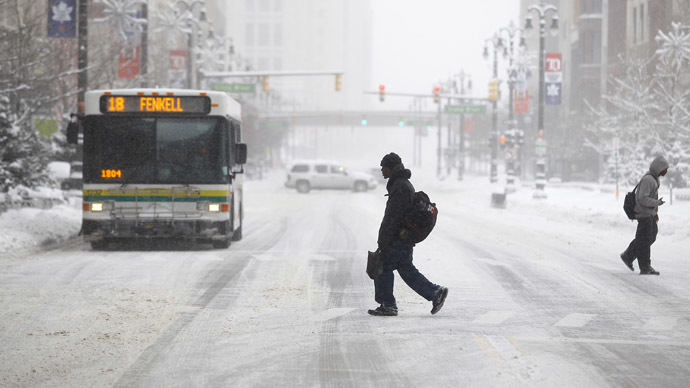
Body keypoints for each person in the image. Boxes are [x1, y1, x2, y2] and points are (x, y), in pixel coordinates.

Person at [368, 152, 448, 316]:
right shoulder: (400, 184)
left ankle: (388, 304)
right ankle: (435, 293)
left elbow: (393, 217)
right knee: (406, 269)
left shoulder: (400, 187)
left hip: (398, 238)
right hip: (403, 237)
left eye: (384, 167)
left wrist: (384, 240)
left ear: (391, 168)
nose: (382, 170)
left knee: (383, 266)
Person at [620, 156, 669, 275]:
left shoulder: (654, 179)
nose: (666, 171)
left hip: (649, 214)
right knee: (644, 240)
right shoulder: (649, 180)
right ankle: (645, 266)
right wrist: (656, 203)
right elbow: (642, 198)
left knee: (649, 238)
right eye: (664, 169)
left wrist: (655, 213)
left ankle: (628, 255)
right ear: (658, 168)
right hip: (643, 214)